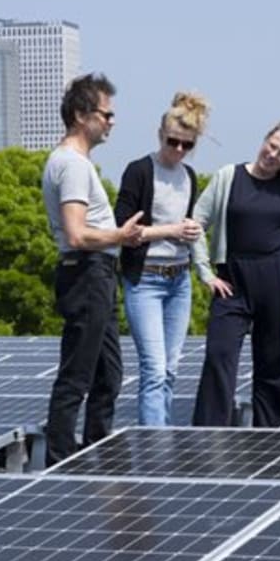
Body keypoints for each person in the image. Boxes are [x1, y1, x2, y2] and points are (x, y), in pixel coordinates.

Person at [190, 121, 280, 427]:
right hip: (232, 282)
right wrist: (205, 272)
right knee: (219, 356)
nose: (272, 154)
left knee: (277, 364)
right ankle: (208, 438)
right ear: (264, 139)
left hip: (279, 280)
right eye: (272, 145)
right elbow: (195, 224)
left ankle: (272, 438)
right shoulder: (229, 177)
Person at [41, 72, 144, 466]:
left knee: (108, 375)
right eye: (107, 114)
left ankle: (97, 449)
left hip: (95, 273)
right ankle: (61, 461)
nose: (112, 122)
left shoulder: (72, 162)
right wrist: (120, 235)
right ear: (83, 115)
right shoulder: (73, 166)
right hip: (87, 273)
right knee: (77, 376)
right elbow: (77, 233)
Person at [115, 91, 208, 426]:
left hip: (179, 280)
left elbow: (188, 228)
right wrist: (171, 230)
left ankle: (162, 437)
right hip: (145, 280)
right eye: (173, 142)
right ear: (160, 135)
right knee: (153, 369)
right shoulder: (139, 171)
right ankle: (155, 450)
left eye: (187, 145)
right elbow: (122, 231)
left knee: (170, 368)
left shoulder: (190, 177)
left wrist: (194, 240)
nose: (179, 150)